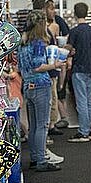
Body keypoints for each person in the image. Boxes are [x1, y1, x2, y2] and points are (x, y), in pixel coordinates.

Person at [17, 10, 63, 172]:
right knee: (42, 125)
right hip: (41, 85)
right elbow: (38, 66)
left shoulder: (22, 43)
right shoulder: (38, 42)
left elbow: (22, 68)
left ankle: (36, 158)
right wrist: (55, 65)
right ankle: (41, 159)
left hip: (27, 86)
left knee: (34, 126)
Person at [66, 2, 91, 143]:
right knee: (89, 101)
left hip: (79, 68)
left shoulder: (74, 31)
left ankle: (83, 131)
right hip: (90, 68)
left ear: (75, 13)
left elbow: (68, 49)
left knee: (81, 101)